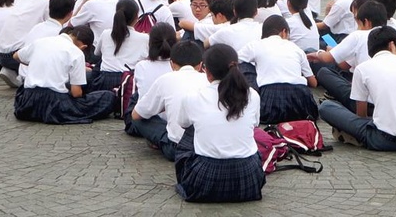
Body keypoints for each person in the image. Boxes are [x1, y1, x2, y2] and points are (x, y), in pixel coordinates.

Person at [319, 26, 396, 151]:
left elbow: (361, 114)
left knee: (326, 107)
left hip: (381, 140)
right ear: (392, 45)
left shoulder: (363, 68)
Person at [174, 43, 264, 203]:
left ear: (207, 72)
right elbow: (255, 124)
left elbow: (182, 123)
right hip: (248, 177)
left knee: (191, 130)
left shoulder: (193, 97)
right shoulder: (253, 95)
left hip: (206, 178)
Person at [13, 25, 115, 125]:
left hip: (27, 102)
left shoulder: (41, 42)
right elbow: (76, 93)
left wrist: (35, 64)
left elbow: (16, 56)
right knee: (108, 97)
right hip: (54, 104)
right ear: (83, 47)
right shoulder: (76, 52)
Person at [132, 41, 207, 160]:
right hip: (206, 147)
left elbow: (137, 115)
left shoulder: (165, 79)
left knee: (139, 119)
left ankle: (161, 141)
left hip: (177, 148)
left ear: (171, 64)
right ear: (200, 65)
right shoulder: (208, 81)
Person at [238, 15, 318, 124]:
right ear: (284, 31)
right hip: (302, 105)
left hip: (271, 103)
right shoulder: (296, 49)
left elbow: (234, 59)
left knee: (245, 65)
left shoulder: (256, 45)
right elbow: (313, 83)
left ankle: (251, 99)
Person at [92, 0, 150, 91]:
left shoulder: (106, 34)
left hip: (103, 81)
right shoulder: (144, 38)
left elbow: (97, 53)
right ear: (136, 17)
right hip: (127, 83)